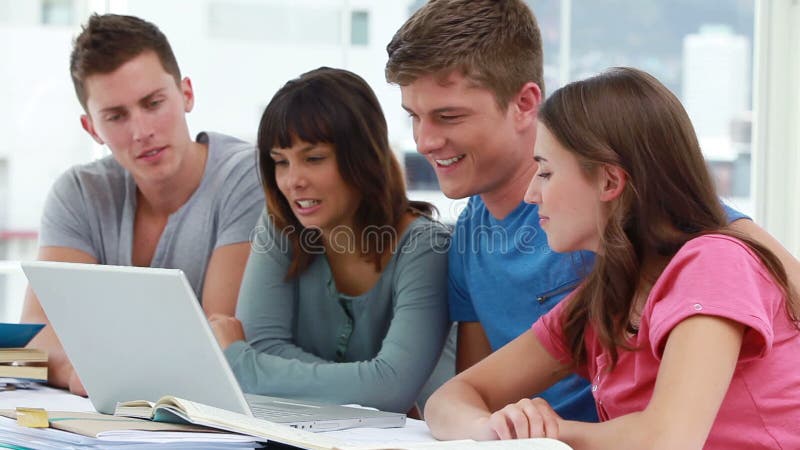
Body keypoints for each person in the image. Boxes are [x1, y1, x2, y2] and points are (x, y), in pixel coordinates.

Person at [385, 0, 800, 423]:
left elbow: (777, 283)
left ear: (526, 103)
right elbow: (475, 393)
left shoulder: (617, 213)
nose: (424, 142)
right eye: (414, 117)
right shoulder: (472, 237)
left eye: (448, 116)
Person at [21, 14, 263, 396]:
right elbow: (33, 339)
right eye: (116, 116)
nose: (141, 131)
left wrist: (98, 364)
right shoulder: (78, 193)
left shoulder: (246, 177)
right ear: (91, 128)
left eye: (153, 103)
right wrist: (76, 372)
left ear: (186, 94)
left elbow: (216, 345)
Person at [208, 67, 451, 414]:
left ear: (363, 157)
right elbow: (262, 345)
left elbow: (391, 390)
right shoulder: (281, 225)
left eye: (314, 158)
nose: (292, 182)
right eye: (280, 162)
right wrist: (367, 384)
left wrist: (241, 363)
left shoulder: (426, 248)